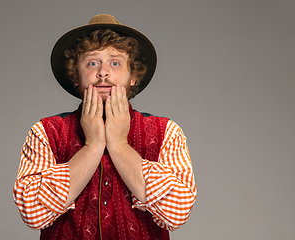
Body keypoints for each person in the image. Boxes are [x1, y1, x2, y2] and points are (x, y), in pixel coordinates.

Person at [13, 14, 196, 240]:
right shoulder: (46, 132)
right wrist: (92, 146)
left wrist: (119, 145)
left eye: (115, 63)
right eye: (92, 63)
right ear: (76, 77)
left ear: (133, 77)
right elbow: (33, 214)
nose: (103, 72)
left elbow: (176, 214)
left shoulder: (167, 131)